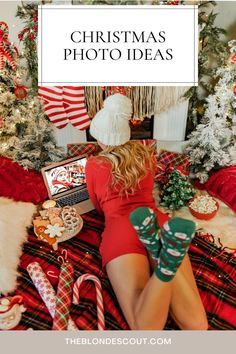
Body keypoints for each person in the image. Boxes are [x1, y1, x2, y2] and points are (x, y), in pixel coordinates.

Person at [85, 93, 208, 330]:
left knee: (144, 329)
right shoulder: (146, 154)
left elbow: (98, 207)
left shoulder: (94, 164)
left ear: (102, 137)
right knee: (197, 325)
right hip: (156, 220)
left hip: (121, 226)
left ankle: (160, 264)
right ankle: (160, 254)